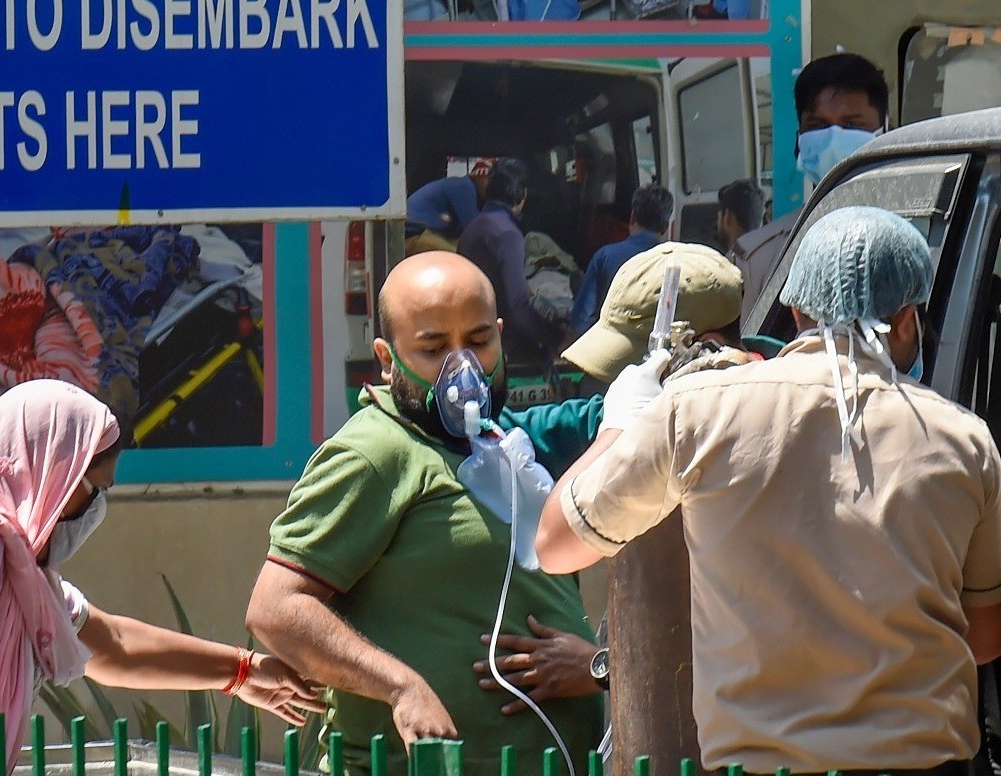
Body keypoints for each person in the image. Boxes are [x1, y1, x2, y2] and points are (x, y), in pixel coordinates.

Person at [536, 207, 1001, 775]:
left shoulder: (696, 413)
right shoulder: (965, 440)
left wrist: (619, 426)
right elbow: (983, 637)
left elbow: (555, 545)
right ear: (906, 321)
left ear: (797, 309)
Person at [0, 380, 320, 776]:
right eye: (91, 490)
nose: (94, 511)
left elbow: (112, 645)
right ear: (47, 471)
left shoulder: (10, 568)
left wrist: (243, 671)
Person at [245, 251, 602, 776]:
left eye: (478, 341)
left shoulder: (503, 440)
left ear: (501, 335)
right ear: (387, 359)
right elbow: (275, 609)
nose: (464, 368)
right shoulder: (374, 451)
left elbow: (603, 420)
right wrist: (401, 687)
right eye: (434, 348)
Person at [477, 243, 775, 725]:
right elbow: (507, 431)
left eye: (633, 368)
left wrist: (602, 668)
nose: (619, 385)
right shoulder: (634, 407)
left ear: (705, 348)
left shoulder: (785, 431)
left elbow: (761, 631)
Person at [732, 52, 889, 321]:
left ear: (885, 132)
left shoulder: (928, 237)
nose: (833, 139)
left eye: (852, 124)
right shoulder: (757, 258)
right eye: (818, 126)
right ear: (799, 140)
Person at [458, 158, 565, 364]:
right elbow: (518, 308)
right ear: (523, 194)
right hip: (504, 346)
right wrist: (558, 339)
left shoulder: (472, 229)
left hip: (473, 340)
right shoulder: (508, 234)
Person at [569, 185, 673, 338]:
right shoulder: (673, 262)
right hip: (656, 347)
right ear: (665, 227)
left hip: (610, 344)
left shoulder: (604, 256)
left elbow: (580, 321)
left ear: (632, 217)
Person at [404, 160, 494, 256]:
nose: (492, 188)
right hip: (415, 237)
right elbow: (476, 231)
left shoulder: (460, 186)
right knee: (462, 259)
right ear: (480, 177)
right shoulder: (463, 186)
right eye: (490, 182)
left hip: (423, 235)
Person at [715, 179, 765, 255]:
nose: (717, 224)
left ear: (728, 217)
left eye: (719, 217)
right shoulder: (772, 256)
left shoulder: (724, 261)